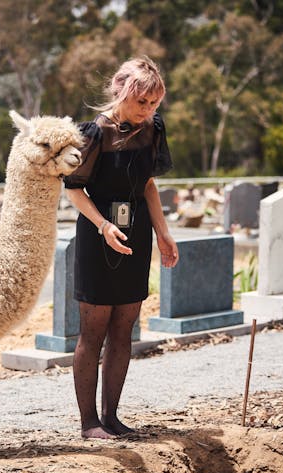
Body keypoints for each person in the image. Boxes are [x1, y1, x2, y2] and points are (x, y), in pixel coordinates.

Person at [64, 56, 179, 439]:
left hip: (136, 236)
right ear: (120, 90)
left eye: (154, 104)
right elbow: (74, 191)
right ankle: (89, 423)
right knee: (92, 332)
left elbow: (147, 184)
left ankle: (112, 417)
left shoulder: (153, 130)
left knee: (124, 329)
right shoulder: (94, 134)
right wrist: (103, 225)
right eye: (142, 102)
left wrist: (163, 233)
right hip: (99, 237)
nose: (148, 111)